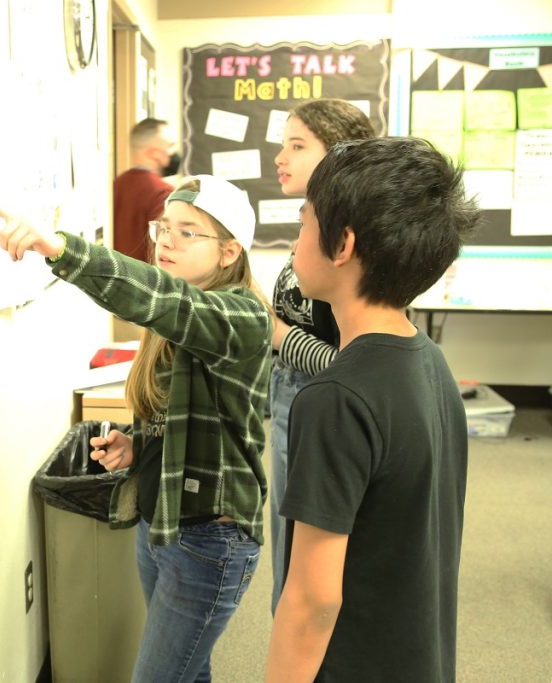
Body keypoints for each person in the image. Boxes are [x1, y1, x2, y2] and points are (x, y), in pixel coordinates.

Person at [0, 175, 271, 683]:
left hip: (210, 536)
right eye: (164, 228)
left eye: (188, 233)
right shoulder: (178, 314)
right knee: (189, 670)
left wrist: (57, 247)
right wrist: (136, 446)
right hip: (159, 519)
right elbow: (179, 419)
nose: (167, 241)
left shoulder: (240, 316)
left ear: (229, 252)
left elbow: (156, 298)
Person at [264, 137, 481, 682]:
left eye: (303, 226)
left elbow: (312, 601)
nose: (294, 246)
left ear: (342, 245)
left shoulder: (335, 400)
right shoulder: (431, 363)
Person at [266, 99, 376, 612]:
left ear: (338, 153)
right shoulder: (314, 221)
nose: (279, 158)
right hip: (292, 403)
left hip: (317, 406)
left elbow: (352, 363)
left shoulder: (348, 239)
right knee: (288, 559)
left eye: (296, 145)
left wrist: (277, 335)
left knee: (304, 570)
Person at [113, 118, 177, 262]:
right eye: (170, 145)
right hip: (146, 280)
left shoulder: (115, 185)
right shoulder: (163, 193)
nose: (173, 152)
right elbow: (164, 250)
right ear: (153, 152)